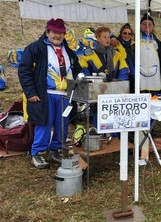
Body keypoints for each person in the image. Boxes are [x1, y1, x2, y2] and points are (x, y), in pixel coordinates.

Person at [18, 18, 81, 169]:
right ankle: (37, 153)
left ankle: (55, 150)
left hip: (64, 95)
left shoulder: (69, 52)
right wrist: (30, 92)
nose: (57, 35)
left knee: (62, 125)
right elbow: (24, 71)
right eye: (54, 32)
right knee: (44, 124)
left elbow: (77, 70)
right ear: (47, 32)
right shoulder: (35, 48)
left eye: (61, 33)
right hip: (44, 94)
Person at [80, 26, 129, 133]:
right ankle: (101, 137)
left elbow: (124, 70)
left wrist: (118, 84)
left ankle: (115, 139)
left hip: (114, 92)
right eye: (104, 37)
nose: (107, 39)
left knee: (115, 119)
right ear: (97, 38)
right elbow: (85, 72)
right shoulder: (89, 56)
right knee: (99, 120)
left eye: (108, 36)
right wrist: (93, 84)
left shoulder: (117, 55)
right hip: (97, 93)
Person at [110, 23, 135, 93]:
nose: (127, 35)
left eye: (129, 34)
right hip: (119, 76)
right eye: (125, 33)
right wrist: (112, 37)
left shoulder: (132, 46)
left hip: (131, 77)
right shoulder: (116, 43)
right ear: (120, 34)